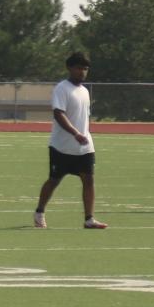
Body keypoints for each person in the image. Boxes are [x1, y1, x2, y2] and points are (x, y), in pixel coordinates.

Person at [35, 51, 105, 230]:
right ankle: (40, 212)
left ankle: (89, 219)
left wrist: (84, 135)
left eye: (85, 68)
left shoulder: (85, 91)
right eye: (79, 68)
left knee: (89, 180)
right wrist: (75, 133)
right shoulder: (62, 88)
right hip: (62, 147)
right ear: (69, 68)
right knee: (54, 180)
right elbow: (59, 114)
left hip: (84, 146)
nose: (82, 72)